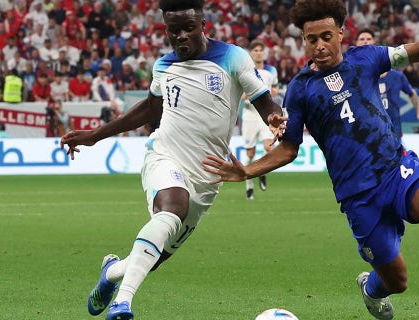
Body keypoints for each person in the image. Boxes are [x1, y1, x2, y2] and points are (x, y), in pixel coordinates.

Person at [202, 1, 419, 320]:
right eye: (312, 40)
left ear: (341, 31)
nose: (320, 45)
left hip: (396, 168)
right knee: (397, 279)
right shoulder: (300, 89)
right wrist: (246, 171)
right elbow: (289, 148)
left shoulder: (368, 58)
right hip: (357, 195)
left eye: (327, 36)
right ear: (304, 41)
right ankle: (371, 289)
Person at [59, 0, 285, 319]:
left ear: (202, 24)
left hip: (208, 176)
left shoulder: (234, 57)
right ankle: (122, 304)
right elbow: (151, 111)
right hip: (165, 155)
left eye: (188, 29)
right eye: (173, 30)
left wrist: (274, 118)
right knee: (172, 208)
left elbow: (264, 101)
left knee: (151, 258)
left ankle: (110, 273)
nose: (180, 37)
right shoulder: (163, 66)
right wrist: (96, 135)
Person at [355, 29, 419, 138]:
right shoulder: (357, 75)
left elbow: (411, 93)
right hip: (370, 132)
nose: (365, 42)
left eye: (368, 39)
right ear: (356, 43)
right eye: (362, 39)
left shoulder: (397, 76)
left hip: (394, 131)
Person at [241, 39, 280, 199]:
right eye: (255, 50)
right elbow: (240, 94)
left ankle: (262, 172)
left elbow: (275, 87)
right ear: (251, 53)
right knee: (250, 153)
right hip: (250, 114)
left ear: (264, 53)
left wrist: (272, 92)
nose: (258, 52)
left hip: (265, 114)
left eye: (260, 50)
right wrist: (248, 95)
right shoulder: (245, 70)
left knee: (269, 147)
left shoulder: (271, 70)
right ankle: (249, 183)